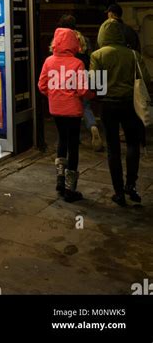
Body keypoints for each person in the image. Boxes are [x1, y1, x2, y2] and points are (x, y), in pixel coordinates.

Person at [90, 18, 151, 206]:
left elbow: (94, 84)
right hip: (129, 105)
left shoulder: (97, 55)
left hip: (108, 106)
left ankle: (118, 192)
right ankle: (131, 184)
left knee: (113, 148)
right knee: (133, 144)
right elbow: (146, 79)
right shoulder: (133, 54)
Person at [39, 28, 95, 202]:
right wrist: (92, 94)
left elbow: (42, 86)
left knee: (61, 140)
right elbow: (82, 90)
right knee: (73, 145)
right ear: (73, 43)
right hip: (73, 110)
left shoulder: (48, 61)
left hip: (56, 109)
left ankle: (60, 180)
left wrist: (55, 95)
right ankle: (71, 189)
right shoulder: (77, 63)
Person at [54, 15, 104, 151]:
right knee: (85, 106)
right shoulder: (84, 39)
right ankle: (93, 126)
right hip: (84, 73)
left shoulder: (59, 39)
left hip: (66, 76)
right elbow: (92, 57)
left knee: (67, 107)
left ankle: (69, 139)